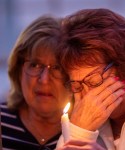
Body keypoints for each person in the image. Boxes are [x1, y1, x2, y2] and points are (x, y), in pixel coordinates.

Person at [56, 8, 125, 150]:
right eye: (77, 85)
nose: (89, 97)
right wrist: (78, 131)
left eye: (94, 81)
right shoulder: (80, 119)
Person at [0, 15, 71, 150]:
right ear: (19, 69)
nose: (44, 80)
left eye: (57, 68)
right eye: (35, 65)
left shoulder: (90, 132)